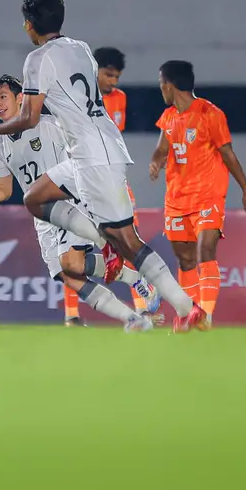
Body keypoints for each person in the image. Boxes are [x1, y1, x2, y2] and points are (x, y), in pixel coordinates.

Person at [0, 0, 203, 332]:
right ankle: (110, 248)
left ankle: (185, 306)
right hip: (92, 150)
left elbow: (30, 117)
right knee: (35, 198)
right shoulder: (81, 48)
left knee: (128, 242)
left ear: (29, 25)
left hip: (92, 155)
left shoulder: (36, 60)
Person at [0, 75, 152, 331]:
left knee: (72, 263)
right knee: (68, 275)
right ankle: (133, 314)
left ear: (21, 98)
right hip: (42, 216)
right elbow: (3, 190)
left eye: (2, 97)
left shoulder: (49, 126)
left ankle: (135, 283)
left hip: (70, 203)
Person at [149, 60, 246, 329]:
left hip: (207, 196)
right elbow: (161, 149)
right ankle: (188, 313)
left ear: (169, 84)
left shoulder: (210, 113)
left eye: (161, 82)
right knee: (185, 260)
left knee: (205, 249)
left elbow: (227, 154)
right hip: (176, 199)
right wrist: (156, 161)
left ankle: (205, 314)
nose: (160, 88)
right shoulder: (169, 117)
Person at [89, 46, 152, 317]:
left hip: (113, 178)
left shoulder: (119, 98)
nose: (113, 82)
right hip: (83, 179)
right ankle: (71, 316)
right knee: (75, 246)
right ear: (94, 71)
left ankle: (144, 307)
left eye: (117, 77)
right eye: (108, 75)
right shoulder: (77, 97)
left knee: (130, 239)